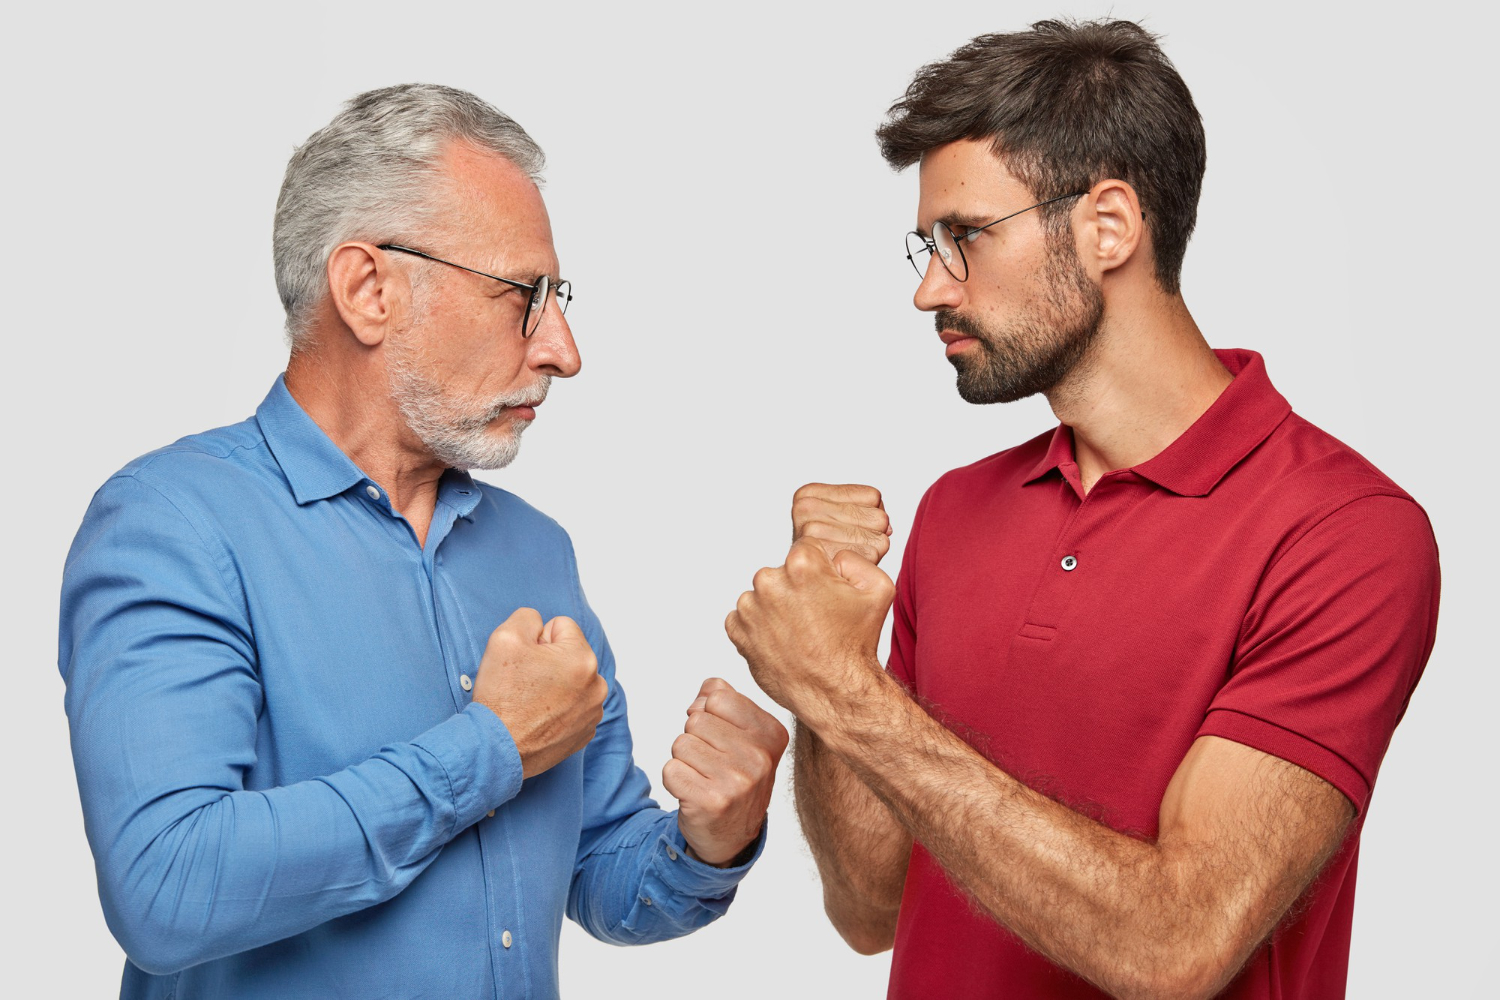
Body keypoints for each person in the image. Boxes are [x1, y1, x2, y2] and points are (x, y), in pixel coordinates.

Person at [725, 19, 1439, 1000]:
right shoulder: (958, 510)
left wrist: (848, 695)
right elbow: (869, 908)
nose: (930, 289)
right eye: (928, 245)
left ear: (1109, 226)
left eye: (966, 236)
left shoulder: (1345, 534)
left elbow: (1177, 946)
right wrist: (829, 665)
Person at [58, 83, 787, 1000]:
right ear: (369, 290)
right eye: (524, 296)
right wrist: (489, 748)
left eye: (558, 298)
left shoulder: (535, 551)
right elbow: (166, 889)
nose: (563, 351)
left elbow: (601, 871)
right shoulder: (174, 525)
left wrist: (709, 839)